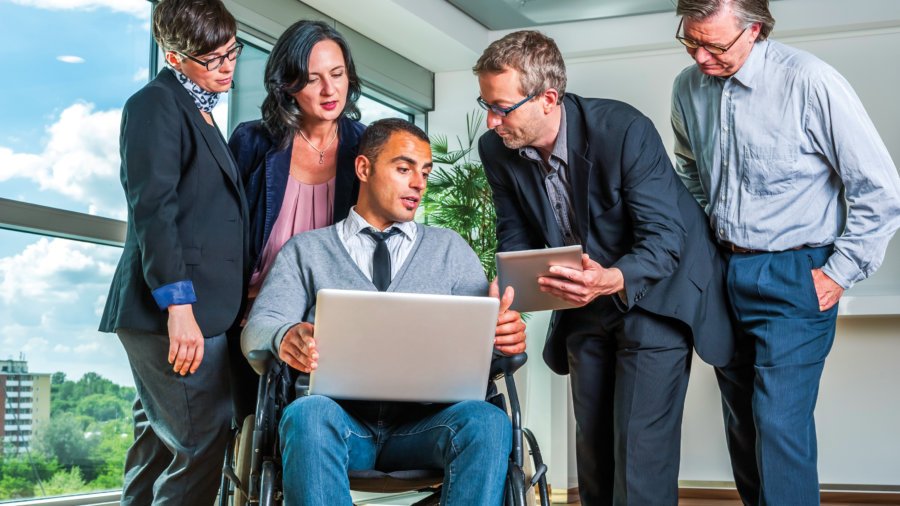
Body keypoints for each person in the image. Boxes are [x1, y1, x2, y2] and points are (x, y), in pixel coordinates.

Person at [474, 30, 735, 505]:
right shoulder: (497, 150)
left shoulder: (623, 129)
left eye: (502, 108)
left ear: (548, 98)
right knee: (593, 454)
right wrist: (508, 284)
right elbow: (515, 235)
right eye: (485, 104)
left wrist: (610, 278)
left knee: (639, 456)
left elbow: (665, 238)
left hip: (656, 293)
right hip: (582, 302)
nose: (492, 121)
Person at [670, 1, 900, 504]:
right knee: (742, 419)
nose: (702, 56)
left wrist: (839, 272)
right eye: (691, 41)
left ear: (754, 30)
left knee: (779, 423)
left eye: (715, 44)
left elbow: (880, 189)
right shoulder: (688, 86)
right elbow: (689, 173)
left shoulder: (811, 82)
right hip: (724, 268)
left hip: (797, 271)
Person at [241, 118, 527, 506]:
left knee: (489, 423)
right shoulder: (306, 251)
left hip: (428, 427)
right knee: (306, 415)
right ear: (364, 168)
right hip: (339, 424)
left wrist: (504, 338)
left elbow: (486, 346)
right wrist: (284, 336)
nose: (419, 183)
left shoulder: (450, 250)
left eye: (425, 172)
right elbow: (258, 328)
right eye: (404, 168)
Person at [98, 0, 248, 504]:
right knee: (202, 435)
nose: (227, 66)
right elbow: (153, 210)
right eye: (212, 59)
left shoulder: (199, 108)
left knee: (159, 445)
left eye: (232, 52)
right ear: (172, 54)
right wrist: (178, 308)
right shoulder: (155, 104)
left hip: (194, 310)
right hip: (171, 312)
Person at [227, 20, 366, 420]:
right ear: (286, 84)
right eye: (312, 79)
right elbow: (227, 233)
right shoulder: (252, 142)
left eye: (337, 75)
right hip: (255, 317)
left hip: (329, 325)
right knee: (248, 430)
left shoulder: (365, 145)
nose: (329, 90)